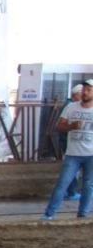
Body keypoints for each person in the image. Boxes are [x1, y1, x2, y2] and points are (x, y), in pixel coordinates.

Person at [42, 79, 93, 220]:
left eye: (89, 90)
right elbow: (59, 126)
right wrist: (71, 126)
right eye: (84, 89)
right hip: (73, 153)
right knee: (62, 183)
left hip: (91, 154)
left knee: (88, 185)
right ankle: (49, 213)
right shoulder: (71, 107)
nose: (85, 92)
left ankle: (83, 214)